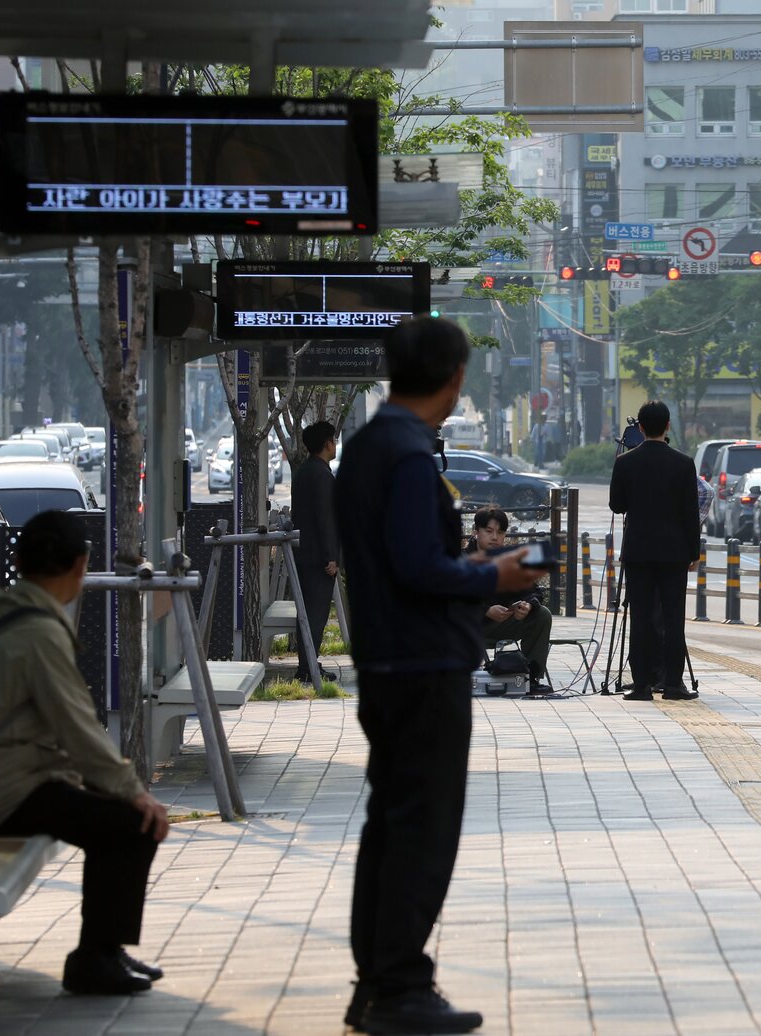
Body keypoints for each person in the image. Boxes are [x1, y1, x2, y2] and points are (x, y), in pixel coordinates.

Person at [335, 315, 541, 1035]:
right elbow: (421, 568)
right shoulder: (410, 456)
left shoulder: (367, 446)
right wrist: (496, 571)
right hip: (423, 664)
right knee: (422, 830)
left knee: (390, 827)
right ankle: (398, 987)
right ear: (454, 378)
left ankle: (378, 981)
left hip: (387, 659)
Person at [0, 510, 169, 996]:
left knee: (114, 815)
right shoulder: (40, 633)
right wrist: (136, 793)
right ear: (79, 566)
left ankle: (106, 949)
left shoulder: (2, 610)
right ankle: (95, 957)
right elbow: (79, 729)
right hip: (5, 792)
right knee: (133, 824)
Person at [609, 400, 702, 702]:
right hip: (674, 552)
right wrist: (693, 552)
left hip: (638, 552)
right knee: (674, 618)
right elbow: (691, 512)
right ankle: (673, 684)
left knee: (641, 618)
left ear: (639, 428)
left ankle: (641, 685)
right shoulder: (684, 463)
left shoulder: (625, 463)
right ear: (668, 426)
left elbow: (617, 505)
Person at [470, 506, 553, 695]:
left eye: (500, 533)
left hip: (500, 626)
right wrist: (486, 610)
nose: (494, 537)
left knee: (541, 614)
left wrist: (527, 606)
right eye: (488, 531)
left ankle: (531, 679)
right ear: (476, 532)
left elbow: (534, 592)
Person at [290, 419, 340, 682]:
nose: (336, 444)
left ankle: (307, 664)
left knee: (308, 613)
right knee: (315, 614)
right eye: (334, 440)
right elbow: (325, 518)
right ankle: (308, 667)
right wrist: (331, 556)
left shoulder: (304, 471)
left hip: (304, 553)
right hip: (318, 558)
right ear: (326, 444)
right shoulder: (322, 475)